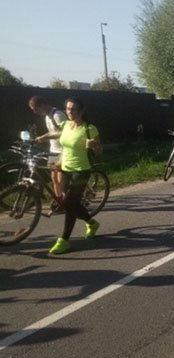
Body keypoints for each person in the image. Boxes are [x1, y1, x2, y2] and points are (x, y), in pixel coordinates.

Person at [46, 97, 102, 254]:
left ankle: (64, 240)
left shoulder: (89, 128)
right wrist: (43, 139)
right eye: (68, 109)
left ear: (82, 111)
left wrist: (94, 145)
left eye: (74, 109)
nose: (70, 112)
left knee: (70, 204)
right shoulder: (65, 125)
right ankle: (92, 223)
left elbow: (99, 151)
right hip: (66, 169)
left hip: (81, 170)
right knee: (69, 202)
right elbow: (62, 144)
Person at [28, 96, 67, 199]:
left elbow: (65, 133)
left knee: (60, 178)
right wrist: (43, 139)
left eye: (36, 109)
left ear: (42, 105)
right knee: (53, 178)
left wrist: (44, 137)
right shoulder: (47, 117)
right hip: (53, 151)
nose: (35, 112)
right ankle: (58, 199)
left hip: (63, 151)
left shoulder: (58, 115)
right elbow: (52, 133)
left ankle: (64, 200)